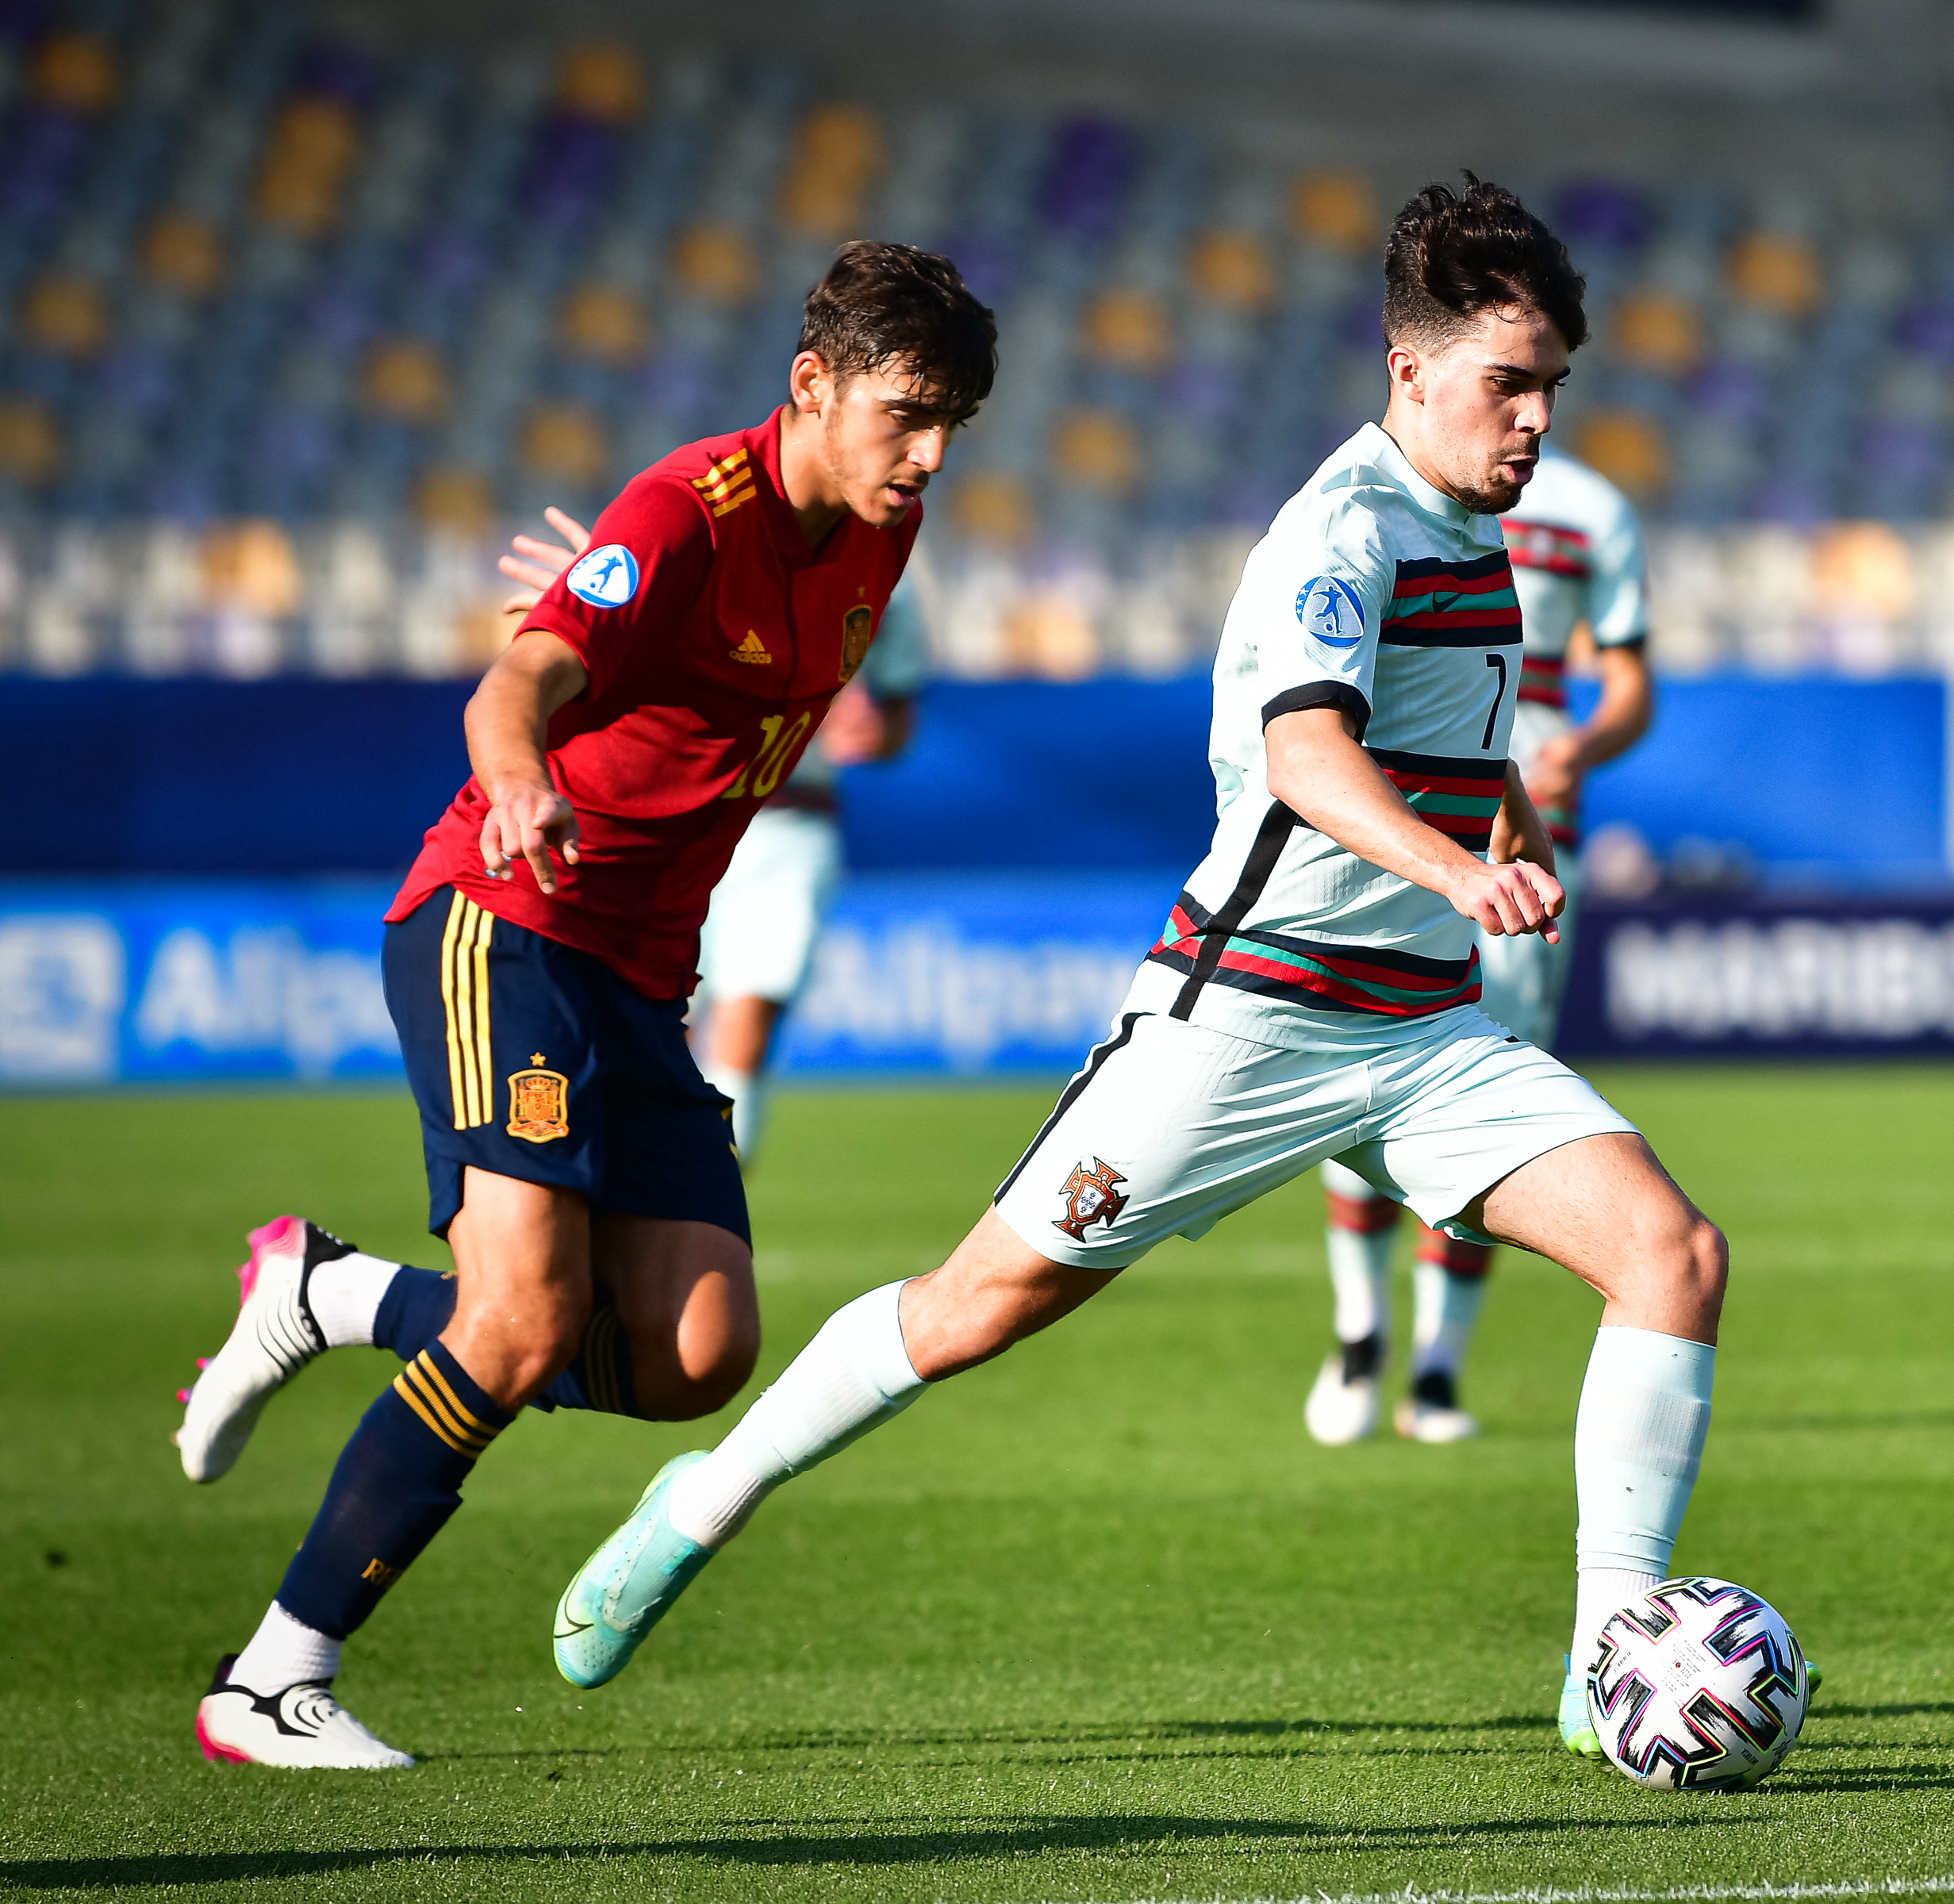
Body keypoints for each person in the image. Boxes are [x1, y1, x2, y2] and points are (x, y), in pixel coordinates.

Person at [546, 177, 1729, 1765]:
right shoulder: (1338, 533)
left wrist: (1505, 806)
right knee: (976, 1307)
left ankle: (1607, 1661)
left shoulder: (1479, 538)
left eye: (1551, 392)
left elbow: (1444, 743)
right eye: (1508, 386)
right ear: (1410, 367)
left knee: (1672, 1256)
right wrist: (1462, 867)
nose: (1533, 423)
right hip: (1241, 1019)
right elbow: (1306, 754)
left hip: (1422, 1028)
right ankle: (702, 1497)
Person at [171, 242, 995, 1768]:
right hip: (512, 922)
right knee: (526, 1315)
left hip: (636, 973)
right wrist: (528, 769)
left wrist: (613, 607)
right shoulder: (684, 508)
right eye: (908, 414)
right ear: (811, 386)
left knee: (694, 1357)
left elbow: (698, 664)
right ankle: (272, 1679)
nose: (932, 453)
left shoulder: (879, 529)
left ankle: (327, 1296)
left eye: (953, 423)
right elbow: (514, 687)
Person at [1306, 446, 1653, 1445]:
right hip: (1403, 806)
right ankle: (1360, 1330)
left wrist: (1579, 749)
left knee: (1503, 1084)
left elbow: (1631, 682)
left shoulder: (1594, 507)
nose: (1528, 408)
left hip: (1534, 827)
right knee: (1356, 1057)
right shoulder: (1382, 496)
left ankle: (1439, 1367)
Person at [498, 516, 933, 1164]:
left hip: (789, 823)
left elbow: (895, 720)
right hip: (681, 820)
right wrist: (604, 609)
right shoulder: (715, 537)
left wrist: (872, 735)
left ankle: (702, 1206)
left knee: (746, 1022)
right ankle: (655, 1211)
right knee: (670, 1029)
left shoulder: (891, 584)